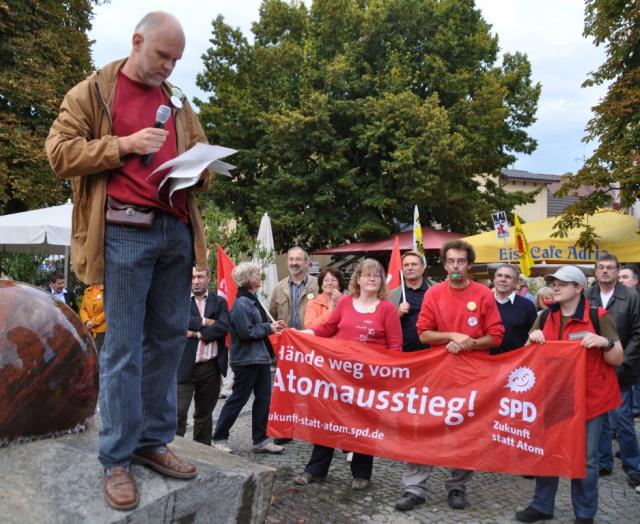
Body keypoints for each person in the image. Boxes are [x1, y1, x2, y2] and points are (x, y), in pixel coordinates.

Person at [46, 11, 210, 511]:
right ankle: (116, 458)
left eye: (176, 59)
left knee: (168, 338)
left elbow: (200, 149)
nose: (169, 67)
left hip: (175, 231)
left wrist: (202, 170)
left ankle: (153, 441)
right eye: (163, 56)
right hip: (123, 229)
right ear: (137, 41)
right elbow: (58, 153)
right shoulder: (93, 92)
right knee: (123, 345)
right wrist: (123, 146)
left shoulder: (177, 101)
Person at [395, 240, 504, 512]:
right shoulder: (434, 294)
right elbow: (424, 334)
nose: (456, 267)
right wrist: (452, 336)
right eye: (451, 261)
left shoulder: (483, 294)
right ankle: (414, 488)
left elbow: (496, 336)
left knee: (464, 432)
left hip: (473, 377)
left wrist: (468, 343)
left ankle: (457, 487)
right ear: (444, 264)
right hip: (438, 374)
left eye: (461, 261)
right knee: (424, 429)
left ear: (469, 264)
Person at [516, 265, 623, 524]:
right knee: (547, 452)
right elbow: (525, 358)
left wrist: (605, 342)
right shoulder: (544, 316)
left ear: (578, 288)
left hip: (590, 400)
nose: (555, 287)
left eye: (562, 283)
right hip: (554, 398)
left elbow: (617, 358)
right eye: (553, 283)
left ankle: (584, 514)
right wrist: (531, 340)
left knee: (586, 459)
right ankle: (542, 505)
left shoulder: (598, 316)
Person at [294, 258, 402, 490]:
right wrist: (299, 334)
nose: (372, 278)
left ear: (382, 280)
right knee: (328, 422)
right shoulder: (345, 303)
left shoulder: (387, 309)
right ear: (358, 279)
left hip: (370, 381)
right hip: (339, 378)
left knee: (363, 426)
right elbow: (326, 329)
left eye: (377, 275)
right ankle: (315, 470)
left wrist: (387, 378)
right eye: (367, 275)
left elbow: (395, 347)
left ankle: (361, 474)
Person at [212, 262, 287, 454]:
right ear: (247, 279)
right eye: (256, 274)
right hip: (246, 360)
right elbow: (247, 332)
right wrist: (269, 328)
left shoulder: (252, 300)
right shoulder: (242, 304)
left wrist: (271, 325)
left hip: (259, 358)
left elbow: (257, 327)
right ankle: (219, 438)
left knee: (263, 399)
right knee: (238, 399)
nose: (260, 276)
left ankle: (261, 440)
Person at [585, 255, 640, 487]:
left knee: (622, 419)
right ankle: (603, 462)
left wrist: (623, 362)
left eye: (610, 268)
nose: (605, 271)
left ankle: (634, 467)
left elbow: (638, 333)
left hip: (621, 369)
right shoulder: (587, 295)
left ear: (618, 271)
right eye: (601, 268)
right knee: (600, 418)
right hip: (594, 368)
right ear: (595, 272)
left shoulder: (631, 296)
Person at [176, 268, 229, 446]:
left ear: (208, 278)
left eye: (200, 276)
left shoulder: (219, 302)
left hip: (210, 367)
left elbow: (223, 327)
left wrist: (197, 334)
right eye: (192, 277)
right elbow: (179, 321)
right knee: (178, 412)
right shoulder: (180, 300)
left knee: (204, 415)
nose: (196, 281)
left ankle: (202, 450)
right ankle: (175, 450)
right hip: (184, 365)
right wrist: (206, 322)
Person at [389, 251, 430, 352]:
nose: (409, 268)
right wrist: (397, 314)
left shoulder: (436, 290)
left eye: (414, 264)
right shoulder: (391, 295)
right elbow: (384, 326)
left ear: (423, 267)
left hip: (432, 353)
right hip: (403, 354)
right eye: (406, 265)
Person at [491, 264, 537, 354]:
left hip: (517, 361)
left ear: (515, 283)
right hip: (486, 360)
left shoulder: (527, 306)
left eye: (508, 277)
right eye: (499, 275)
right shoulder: (484, 303)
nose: (503, 279)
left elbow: (533, 335)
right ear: (494, 280)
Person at [269, 246, 319, 330]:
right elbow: (271, 317)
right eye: (291, 259)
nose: (294, 263)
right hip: (286, 336)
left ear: (306, 262)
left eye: (298, 259)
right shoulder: (278, 288)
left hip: (310, 336)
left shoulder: (318, 285)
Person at [79, 283, 106, 352]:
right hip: (88, 330)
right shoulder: (87, 290)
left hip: (102, 331)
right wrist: (86, 321)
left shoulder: (107, 290)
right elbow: (83, 309)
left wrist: (93, 322)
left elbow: (108, 310)